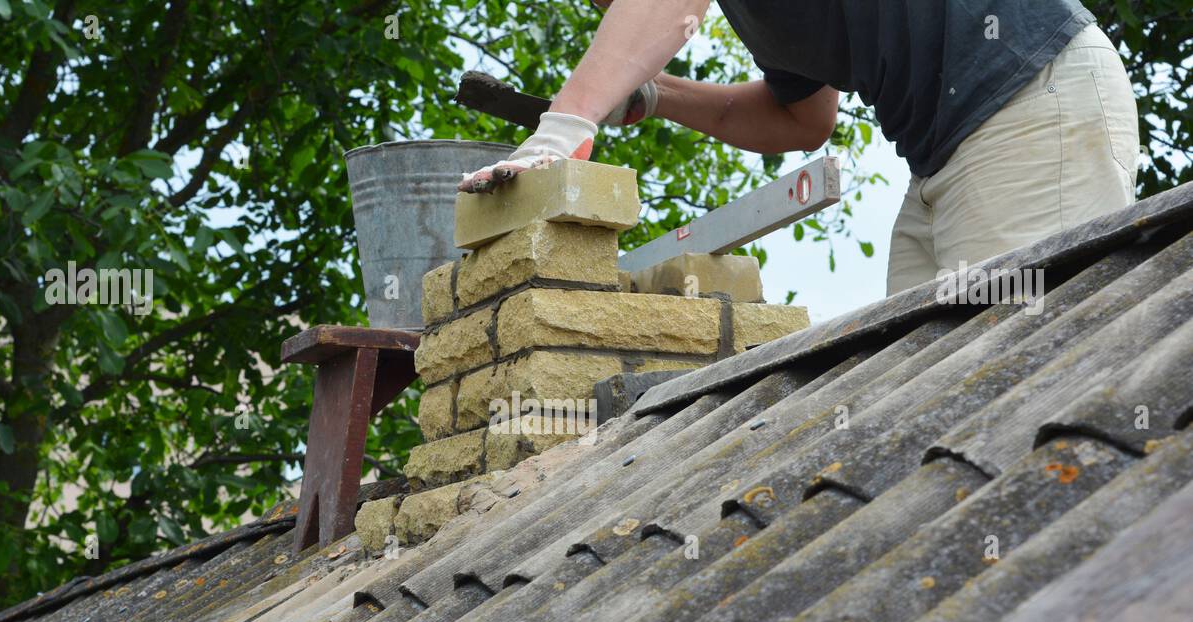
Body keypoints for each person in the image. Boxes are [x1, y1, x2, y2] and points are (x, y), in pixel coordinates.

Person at [459, 1, 1140, 296]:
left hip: (1033, 100)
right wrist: (657, 95)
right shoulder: (767, 11)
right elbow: (802, 120)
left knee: (1009, 388)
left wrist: (565, 129)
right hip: (950, 153)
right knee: (926, 395)